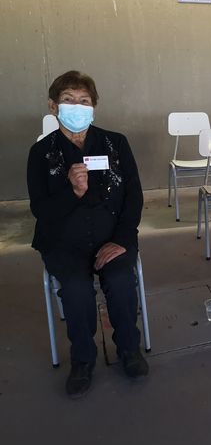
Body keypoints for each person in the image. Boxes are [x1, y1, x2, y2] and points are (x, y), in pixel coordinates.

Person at [27, 71, 148, 398]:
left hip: (113, 237)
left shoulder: (115, 144)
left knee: (121, 280)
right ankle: (83, 359)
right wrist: (73, 192)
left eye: (84, 101)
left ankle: (129, 348)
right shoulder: (41, 154)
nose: (77, 107)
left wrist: (122, 240)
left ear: (94, 107)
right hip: (63, 243)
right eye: (68, 100)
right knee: (77, 290)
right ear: (53, 106)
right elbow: (41, 210)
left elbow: (134, 197)